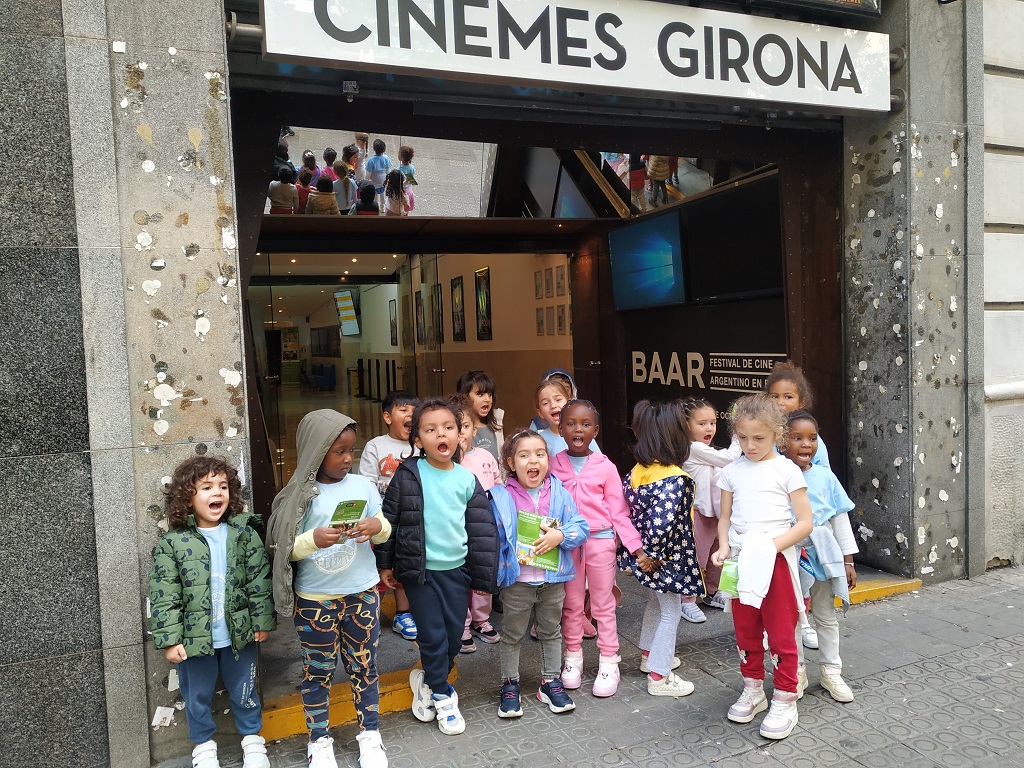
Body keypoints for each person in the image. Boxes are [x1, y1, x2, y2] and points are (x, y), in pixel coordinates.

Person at [266, 410, 392, 768]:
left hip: (362, 594)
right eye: (339, 451)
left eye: (351, 450)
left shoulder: (363, 486)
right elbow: (281, 548)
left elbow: (384, 528)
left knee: (364, 667)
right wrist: (313, 539)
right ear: (316, 450)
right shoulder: (298, 496)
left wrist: (376, 526)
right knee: (317, 673)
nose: (348, 458)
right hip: (315, 601)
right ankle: (319, 741)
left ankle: (370, 735)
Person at [376, 398, 499, 736]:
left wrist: (483, 577)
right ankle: (443, 696)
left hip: (457, 572)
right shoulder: (408, 474)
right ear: (418, 439)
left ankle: (429, 681)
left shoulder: (467, 479)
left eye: (448, 427)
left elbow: (482, 532)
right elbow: (390, 520)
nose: (441, 434)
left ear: (460, 434)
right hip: (421, 572)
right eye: (430, 430)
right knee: (432, 636)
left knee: (453, 638)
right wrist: (385, 563)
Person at [149, 456, 275, 768]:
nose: (217, 492)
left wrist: (261, 621)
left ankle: (253, 742)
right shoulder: (173, 543)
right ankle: (204, 747)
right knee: (197, 696)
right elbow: (165, 595)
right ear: (187, 498)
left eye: (223, 486)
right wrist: (170, 640)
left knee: (245, 691)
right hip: (193, 642)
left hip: (239, 637)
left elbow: (259, 581)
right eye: (206, 487)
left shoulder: (243, 535)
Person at [712, 394, 813, 741]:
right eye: (742, 437)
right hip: (741, 558)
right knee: (745, 628)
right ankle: (753, 689)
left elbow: (805, 523)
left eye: (759, 438)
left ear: (777, 434)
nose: (750, 445)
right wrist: (724, 546)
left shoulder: (787, 470)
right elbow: (724, 518)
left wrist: (770, 547)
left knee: (781, 631)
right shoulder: (731, 472)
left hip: (775, 559)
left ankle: (785, 697)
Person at [490, 428, 589, 717]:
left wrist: (561, 536)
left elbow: (581, 526)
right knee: (512, 634)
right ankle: (509, 684)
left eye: (540, 454)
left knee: (551, 631)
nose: (533, 460)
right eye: (524, 455)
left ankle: (550, 682)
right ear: (511, 463)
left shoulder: (559, 493)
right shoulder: (500, 496)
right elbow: (490, 538)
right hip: (517, 581)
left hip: (552, 580)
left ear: (548, 459)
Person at [550, 400, 643, 697]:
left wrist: (636, 547)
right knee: (571, 604)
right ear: (561, 429)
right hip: (566, 544)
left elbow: (619, 512)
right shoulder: (552, 464)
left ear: (596, 430)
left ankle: (609, 661)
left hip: (600, 542)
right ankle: (573, 658)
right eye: (571, 423)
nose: (578, 429)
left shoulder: (606, 466)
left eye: (585, 424)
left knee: (603, 605)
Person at [618, 400, 703, 696]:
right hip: (665, 559)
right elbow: (664, 524)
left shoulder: (637, 471)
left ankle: (649, 655)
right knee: (672, 611)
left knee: (655, 603)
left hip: (645, 556)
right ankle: (659, 676)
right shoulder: (676, 479)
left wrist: (642, 555)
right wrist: (652, 556)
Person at [783, 410, 859, 704]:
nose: (806, 444)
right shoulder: (777, 475)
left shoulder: (826, 477)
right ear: (782, 441)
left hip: (824, 555)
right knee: (792, 617)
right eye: (797, 438)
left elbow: (840, 520)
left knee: (826, 615)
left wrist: (847, 561)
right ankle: (797, 671)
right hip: (789, 556)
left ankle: (831, 671)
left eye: (812, 438)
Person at [764, 360, 829, 651]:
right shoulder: (764, 434)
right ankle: (770, 627)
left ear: (801, 402)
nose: (780, 402)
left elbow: (822, 478)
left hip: (801, 522)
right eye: (774, 396)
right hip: (773, 520)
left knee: (803, 575)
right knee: (774, 578)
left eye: (788, 396)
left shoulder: (813, 440)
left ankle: (803, 623)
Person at [358, 390, 421, 641]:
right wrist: (375, 514)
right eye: (403, 410)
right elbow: (367, 483)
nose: (410, 415)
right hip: (382, 519)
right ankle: (370, 613)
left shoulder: (420, 445)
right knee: (379, 567)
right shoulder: (376, 446)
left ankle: (402, 614)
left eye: (414, 411)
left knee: (403, 567)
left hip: (410, 520)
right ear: (387, 417)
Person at [449, 394, 502, 654]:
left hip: (484, 529)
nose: (461, 433)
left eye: (466, 426)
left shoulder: (485, 456)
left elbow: (498, 486)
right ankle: (462, 624)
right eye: (455, 427)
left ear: (474, 429)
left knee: (483, 574)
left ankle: (481, 619)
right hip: (457, 530)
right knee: (460, 578)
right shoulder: (447, 462)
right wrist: (455, 455)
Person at [681, 397, 742, 617]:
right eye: (702, 423)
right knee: (696, 556)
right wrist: (738, 434)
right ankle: (686, 599)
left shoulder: (705, 449)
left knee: (717, 552)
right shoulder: (694, 448)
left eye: (713, 423)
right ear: (687, 425)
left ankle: (712, 591)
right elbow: (729, 458)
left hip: (714, 513)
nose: (709, 428)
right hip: (697, 513)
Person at [535, 379, 599, 457]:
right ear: (540, 413)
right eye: (545, 403)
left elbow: (598, 461)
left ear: (569, 404)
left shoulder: (583, 434)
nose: (553, 405)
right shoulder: (539, 440)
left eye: (558, 400)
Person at [455, 370, 505, 462]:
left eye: (490, 394)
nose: (487, 399)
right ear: (465, 396)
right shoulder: (456, 426)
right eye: (480, 394)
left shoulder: (496, 421)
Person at [364, 139, 393, 212]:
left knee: (375, 194)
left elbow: (368, 173)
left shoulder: (371, 160)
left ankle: (375, 207)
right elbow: (388, 170)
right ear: (384, 149)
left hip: (374, 180)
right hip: (383, 180)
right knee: (382, 194)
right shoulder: (386, 158)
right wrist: (388, 178)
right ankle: (382, 206)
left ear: (374, 149)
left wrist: (367, 178)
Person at [397, 144, 417, 212]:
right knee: (406, 210)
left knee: (401, 209)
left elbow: (400, 184)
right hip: (409, 191)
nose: (397, 154)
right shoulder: (412, 167)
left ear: (402, 157)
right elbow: (412, 180)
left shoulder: (399, 170)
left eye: (399, 154)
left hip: (402, 192)